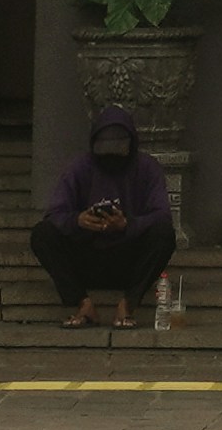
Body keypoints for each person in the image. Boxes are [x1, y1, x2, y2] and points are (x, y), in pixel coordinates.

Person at [31, 104, 176, 327]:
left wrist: (127, 225)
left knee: (164, 234)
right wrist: (77, 220)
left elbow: (162, 217)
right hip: (88, 257)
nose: (111, 160)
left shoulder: (147, 168)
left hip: (128, 258)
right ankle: (83, 304)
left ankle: (127, 306)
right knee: (42, 234)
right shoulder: (80, 167)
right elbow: (54, 215)